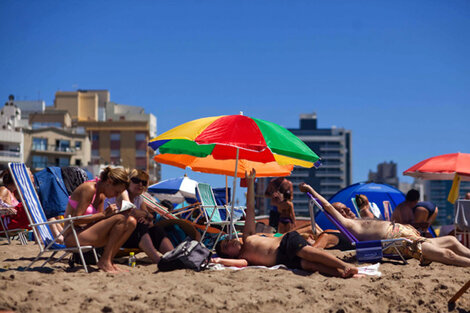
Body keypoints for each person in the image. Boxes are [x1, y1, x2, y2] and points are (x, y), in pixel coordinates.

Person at [212, 170, 359, 278]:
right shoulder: (244, 258)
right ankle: (343, 274)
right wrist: (219, 260)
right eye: (227, 246)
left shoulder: (248, 236)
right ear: (229, 255)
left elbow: (250, 208)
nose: (231, 242)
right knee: (309, 265)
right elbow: (241, 264)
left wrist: (251, 183)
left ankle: (344, 265)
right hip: (283, 259)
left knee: (308, 253)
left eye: (228, 240)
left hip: (286, 243)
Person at [299, 183, 470, 267]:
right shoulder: (349, 225)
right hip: (404, 244)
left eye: (346, 208)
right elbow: (327, 207)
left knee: (452, 241)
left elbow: (364, 208)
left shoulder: (360, 219)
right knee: (448, 254)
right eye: (342, 211)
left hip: (411, 236)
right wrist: (311, 191)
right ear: (338, 217)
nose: (347, 211)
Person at [63, 167, 137, 273]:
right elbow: (75, 220)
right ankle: (105, 261)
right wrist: (105, 214)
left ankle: (108, 260)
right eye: (116, 192)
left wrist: (112, 215)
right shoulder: (89, 188)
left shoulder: (101, 194)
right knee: (121, 219)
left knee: (131, 221)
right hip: (72, 236)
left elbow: (98, 220)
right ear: (109, 182)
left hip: (85, 233)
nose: (116, 195)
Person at [108, 169, 174, 264]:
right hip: (114, 235)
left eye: (143, 182)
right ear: (128, 181)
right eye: (136, 180)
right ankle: (158, 260)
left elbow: (150, 219)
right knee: (140, 226)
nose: (140, 185)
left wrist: (146, 218)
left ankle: (173, 256)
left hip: (130, 235)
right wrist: (145, 215)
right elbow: (131, 211)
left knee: (156, 229)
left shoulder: (139, 198)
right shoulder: (123, 193)